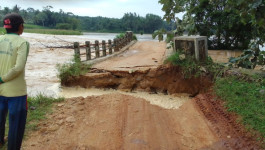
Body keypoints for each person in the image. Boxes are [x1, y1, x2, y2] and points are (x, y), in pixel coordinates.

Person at [0, 13, 30, 150]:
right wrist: (3, 78)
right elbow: (18, 67)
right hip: (16, 92)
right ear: (20, 27)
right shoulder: (22, 43)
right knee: (16, 125)